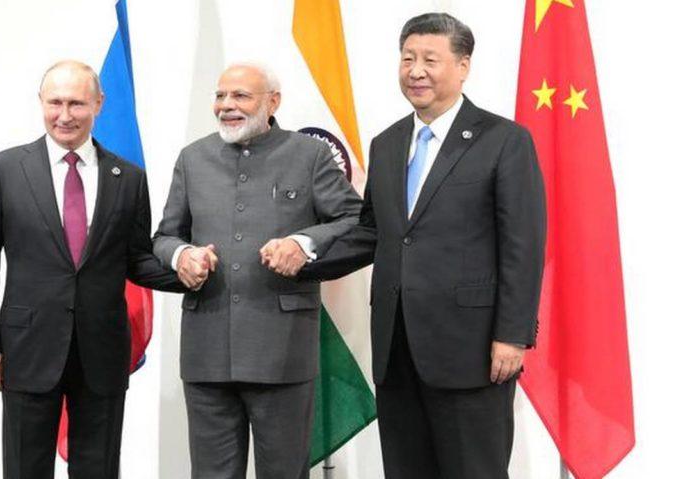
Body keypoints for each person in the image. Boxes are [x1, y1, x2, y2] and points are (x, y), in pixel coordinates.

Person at [296, 13, 546, 479]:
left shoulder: (504, 140)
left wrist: (512, 334)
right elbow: (373, 232)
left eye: (431, 59)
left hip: (472, 349)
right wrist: (304, 251)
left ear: (463, 66)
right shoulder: (387, 143)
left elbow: (523, 245)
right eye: (408, 58)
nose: (416, 70)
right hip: (397, 346)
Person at [0, 60, 183, 479]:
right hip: (26, 350)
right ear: (41, 103)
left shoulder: (129, 178)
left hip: (101, 352)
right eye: (56, 102)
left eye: (77, 103)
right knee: (26, 469)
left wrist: (188, 270)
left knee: (99, 470)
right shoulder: (4, 170)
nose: (65, 115)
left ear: (99, 104)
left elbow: (136, 259)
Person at [152, 63, 361, 479]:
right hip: (206, 352)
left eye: (241, 96)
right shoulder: (192, 159)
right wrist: (181, 257)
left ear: (272, 102)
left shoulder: (311, 155)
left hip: (281, 351)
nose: (227, 106)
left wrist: (303, 244)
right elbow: (163, 236)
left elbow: (354, 220)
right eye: (220, 96)